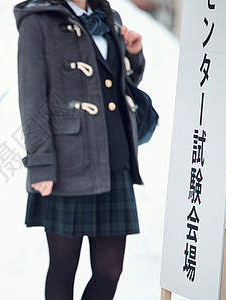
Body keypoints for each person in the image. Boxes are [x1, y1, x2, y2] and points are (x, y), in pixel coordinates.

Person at [14, 0, 145, 299]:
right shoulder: (38, 22)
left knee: (110, 270)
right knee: (63, 267)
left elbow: (119, 85)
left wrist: (134, 55)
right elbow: (31, 99)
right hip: (67, 163)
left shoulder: (109, 17)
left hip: (115, 158)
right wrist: (41, 163)